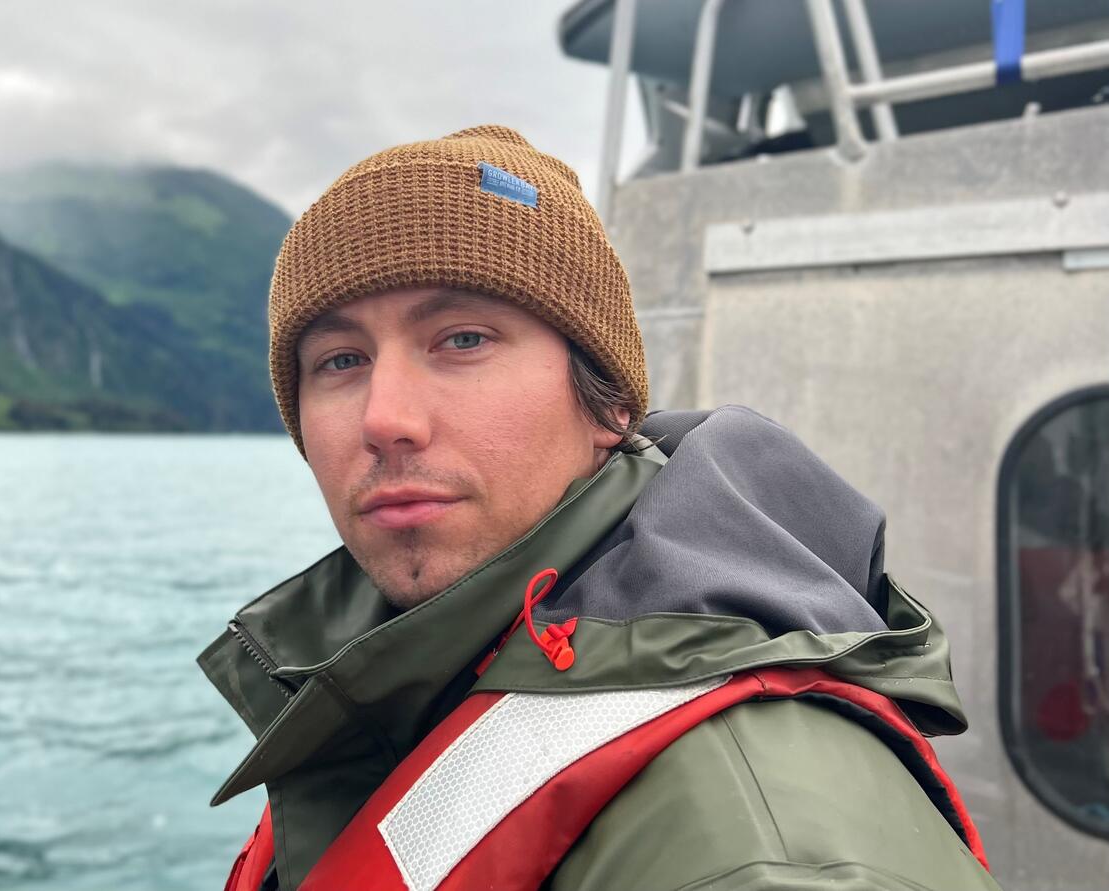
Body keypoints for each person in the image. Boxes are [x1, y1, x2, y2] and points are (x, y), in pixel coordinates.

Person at [200, 125, 1000, 891]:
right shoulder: (409, 676)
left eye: (463, 339)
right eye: (341, 360)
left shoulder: (765, 843)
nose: (385, 418)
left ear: (608, 405)